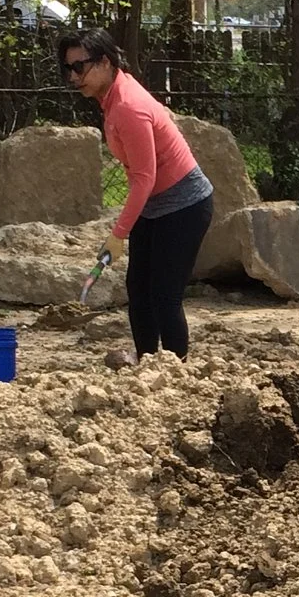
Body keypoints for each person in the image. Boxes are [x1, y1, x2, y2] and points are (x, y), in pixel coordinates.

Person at [62, 30, 214, 366]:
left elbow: (145, 178)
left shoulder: (128, 105)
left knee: (164, 296)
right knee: (139, 290)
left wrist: (117, 236)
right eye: (69, 69)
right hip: (155, 204)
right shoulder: (113, 95)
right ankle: (147, 362)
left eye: (80, 67)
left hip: (185, 206)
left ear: (105, 62)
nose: (74, 77)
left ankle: (176, 371)